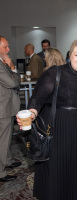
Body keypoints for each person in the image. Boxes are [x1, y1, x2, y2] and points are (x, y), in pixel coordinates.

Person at [18, 40, 77, 200]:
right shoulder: (55, 72)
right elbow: (37, 98)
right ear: (70, 55)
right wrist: (31, 114)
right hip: (61, 126)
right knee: (61, 164)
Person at [0, 36, 22, 182]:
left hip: (6, 106)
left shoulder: (2, 62)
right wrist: (13, 68)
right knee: (3, 139)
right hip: (3, 108)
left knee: (6, 139)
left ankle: (6, 161)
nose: (8, 49)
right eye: (5, 47)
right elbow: (13, 83)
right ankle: (1, 172)